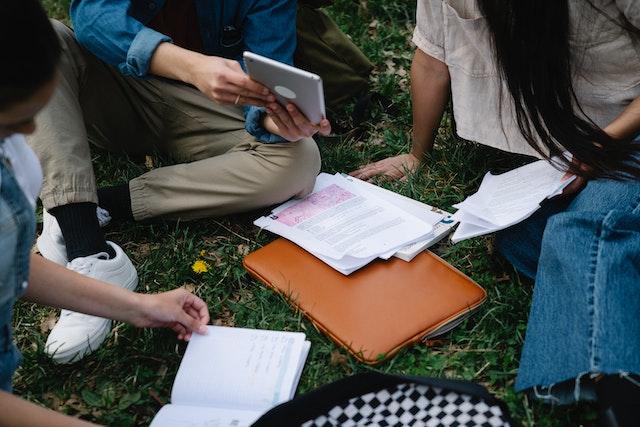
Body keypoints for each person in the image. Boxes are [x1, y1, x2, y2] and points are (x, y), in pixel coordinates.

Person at [351, 0, 640, 424]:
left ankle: (621, 391)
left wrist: (603, 144)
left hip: (625, 132)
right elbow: (432, 57)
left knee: (581, 231)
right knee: (520, 242)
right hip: (563, 154)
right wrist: (417, 154)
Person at [29, 0, 331, 364]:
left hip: (203, 112)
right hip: (111, 91)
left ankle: (100, 205)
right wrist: (192, 67)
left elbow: (269, 79)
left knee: (301, 158)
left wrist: (278, 121)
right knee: (35, 37)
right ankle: (88, 249)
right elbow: (92, 18)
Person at [0, 1, 210, 424]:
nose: (27, 136)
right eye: (14, 122)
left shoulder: (14, 160)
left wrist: (139, 307)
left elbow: (11, 265)